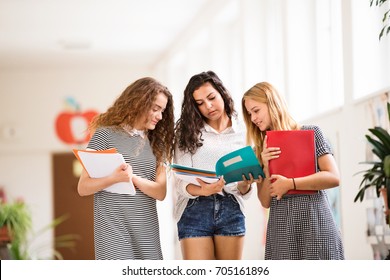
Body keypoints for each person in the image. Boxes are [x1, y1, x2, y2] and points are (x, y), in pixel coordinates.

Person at [241, 81, 344, 260]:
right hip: (282, 228)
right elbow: (265, 201)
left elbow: (333, 177)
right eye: (249, 114)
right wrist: (265, 165)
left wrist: (290, 184)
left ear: (272, 103)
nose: (253, 118)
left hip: (315, 223)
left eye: (256, 110)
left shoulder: (311, 133)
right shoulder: (260, 149)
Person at [77, 77, 175, 260]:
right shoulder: (104, 135)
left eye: (162, 110)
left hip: (146, 228)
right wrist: (114, 178)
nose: (160, 116)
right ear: (138, 102)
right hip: (112, 228)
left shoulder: (158, 144)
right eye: (155, 109)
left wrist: (132, 178)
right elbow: (83, 187)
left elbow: (160, 192)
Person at [173, 71, 255, 260]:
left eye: (211, 98)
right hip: (194, 208)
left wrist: (246, 184)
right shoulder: (186, 134)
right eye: (200, 103)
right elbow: (180, 182)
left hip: (231, 207)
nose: (208, 106)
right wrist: (204, 190)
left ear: (222, 93)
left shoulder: (244, 130)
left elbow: (244, 189)